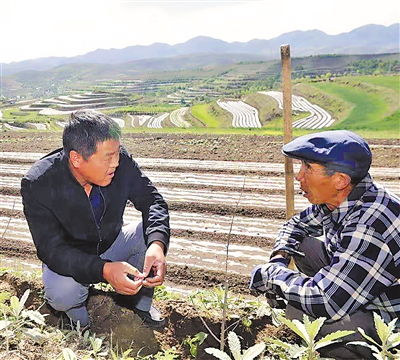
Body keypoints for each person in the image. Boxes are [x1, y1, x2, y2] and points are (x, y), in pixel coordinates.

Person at [250, 130, 400, 360]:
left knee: (299, 312)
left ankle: (357, 351)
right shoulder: (341, 198)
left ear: (340, 180)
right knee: (302, 245)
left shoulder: (369, 224)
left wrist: (272, 277)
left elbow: (325, 301)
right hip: (366, 286)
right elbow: (295, 226)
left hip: (391, 318)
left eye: (308, 168)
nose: (299, 176)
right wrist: (279, 258)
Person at [21, 109, 170, 330]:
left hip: (112, 243)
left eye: (117, 153)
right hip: (71, 258)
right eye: (108, 157)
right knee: (62, 294)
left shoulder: (121, 163)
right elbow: (52, 250)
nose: (116, 163)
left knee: (148, 236)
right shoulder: (39, 183)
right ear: (77, 158)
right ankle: (78, 320)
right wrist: (104, 270)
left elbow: (153, 201)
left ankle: (140, 305)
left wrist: (157, 245)